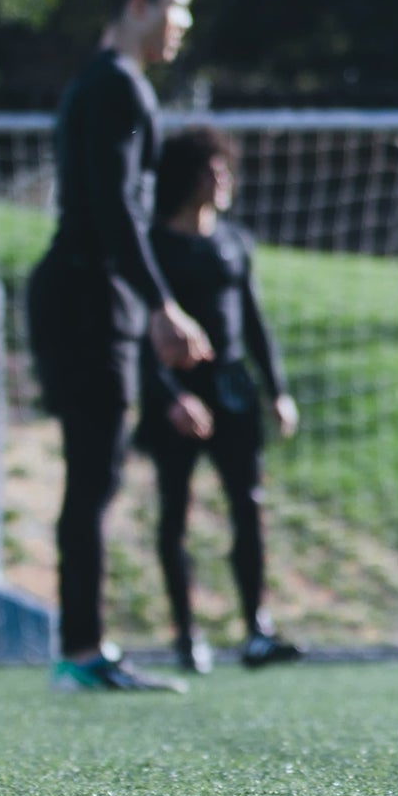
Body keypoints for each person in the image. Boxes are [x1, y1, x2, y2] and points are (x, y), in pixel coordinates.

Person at [28, 0, 211, 694]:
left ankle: (83, 649)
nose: (183, 23)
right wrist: (163, 305)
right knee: (93, 476)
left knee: (95, 474)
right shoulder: (117, 88)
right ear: (140, 5)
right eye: (177, 6)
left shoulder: (101, 85)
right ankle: (82, 652)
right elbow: (113, 211)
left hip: (87, 294)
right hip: (85, 296)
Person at [142, 123, 304, 674]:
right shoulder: (153, 248)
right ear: (186, 177)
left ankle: (257, 629)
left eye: (225, 170)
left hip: (232, 388)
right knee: (175, 514)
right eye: (212, 171)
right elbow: (141, 332)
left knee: (248, 504)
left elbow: (253, 321)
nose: (223, 180)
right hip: (178, 393)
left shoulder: (233, 243)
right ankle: (186, 634)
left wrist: (277, 390)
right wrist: (168, 396)